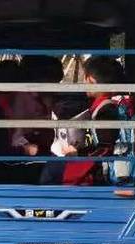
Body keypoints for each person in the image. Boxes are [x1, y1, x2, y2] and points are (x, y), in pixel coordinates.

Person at [40, 56, 124, 185]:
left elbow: (105, 147)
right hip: (96, 164)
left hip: (99, 171)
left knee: (53, 170)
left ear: (90, 79)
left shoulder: (106, 109)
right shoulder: (105, 104)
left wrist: (77, 152)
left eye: (84, 77)